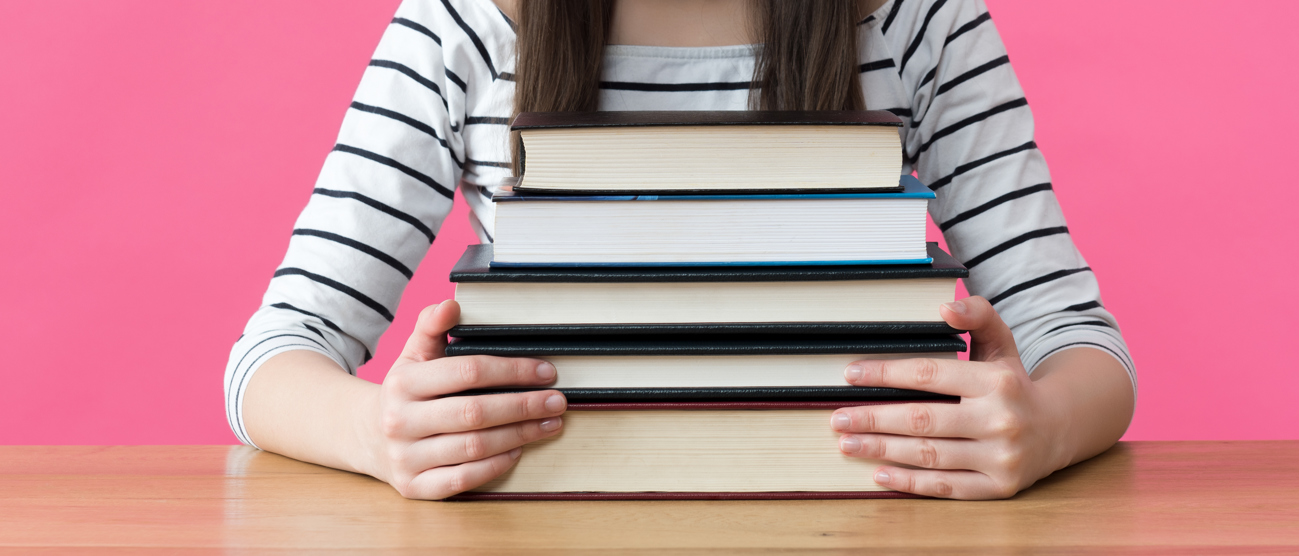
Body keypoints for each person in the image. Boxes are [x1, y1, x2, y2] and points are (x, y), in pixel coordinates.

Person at [226, 0, 1136, 501]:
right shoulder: (462, 27)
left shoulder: (917, 22)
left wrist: (1046, 427)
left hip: (867, 517)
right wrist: (380, 433)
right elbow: (274, 356)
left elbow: (1076, 338)